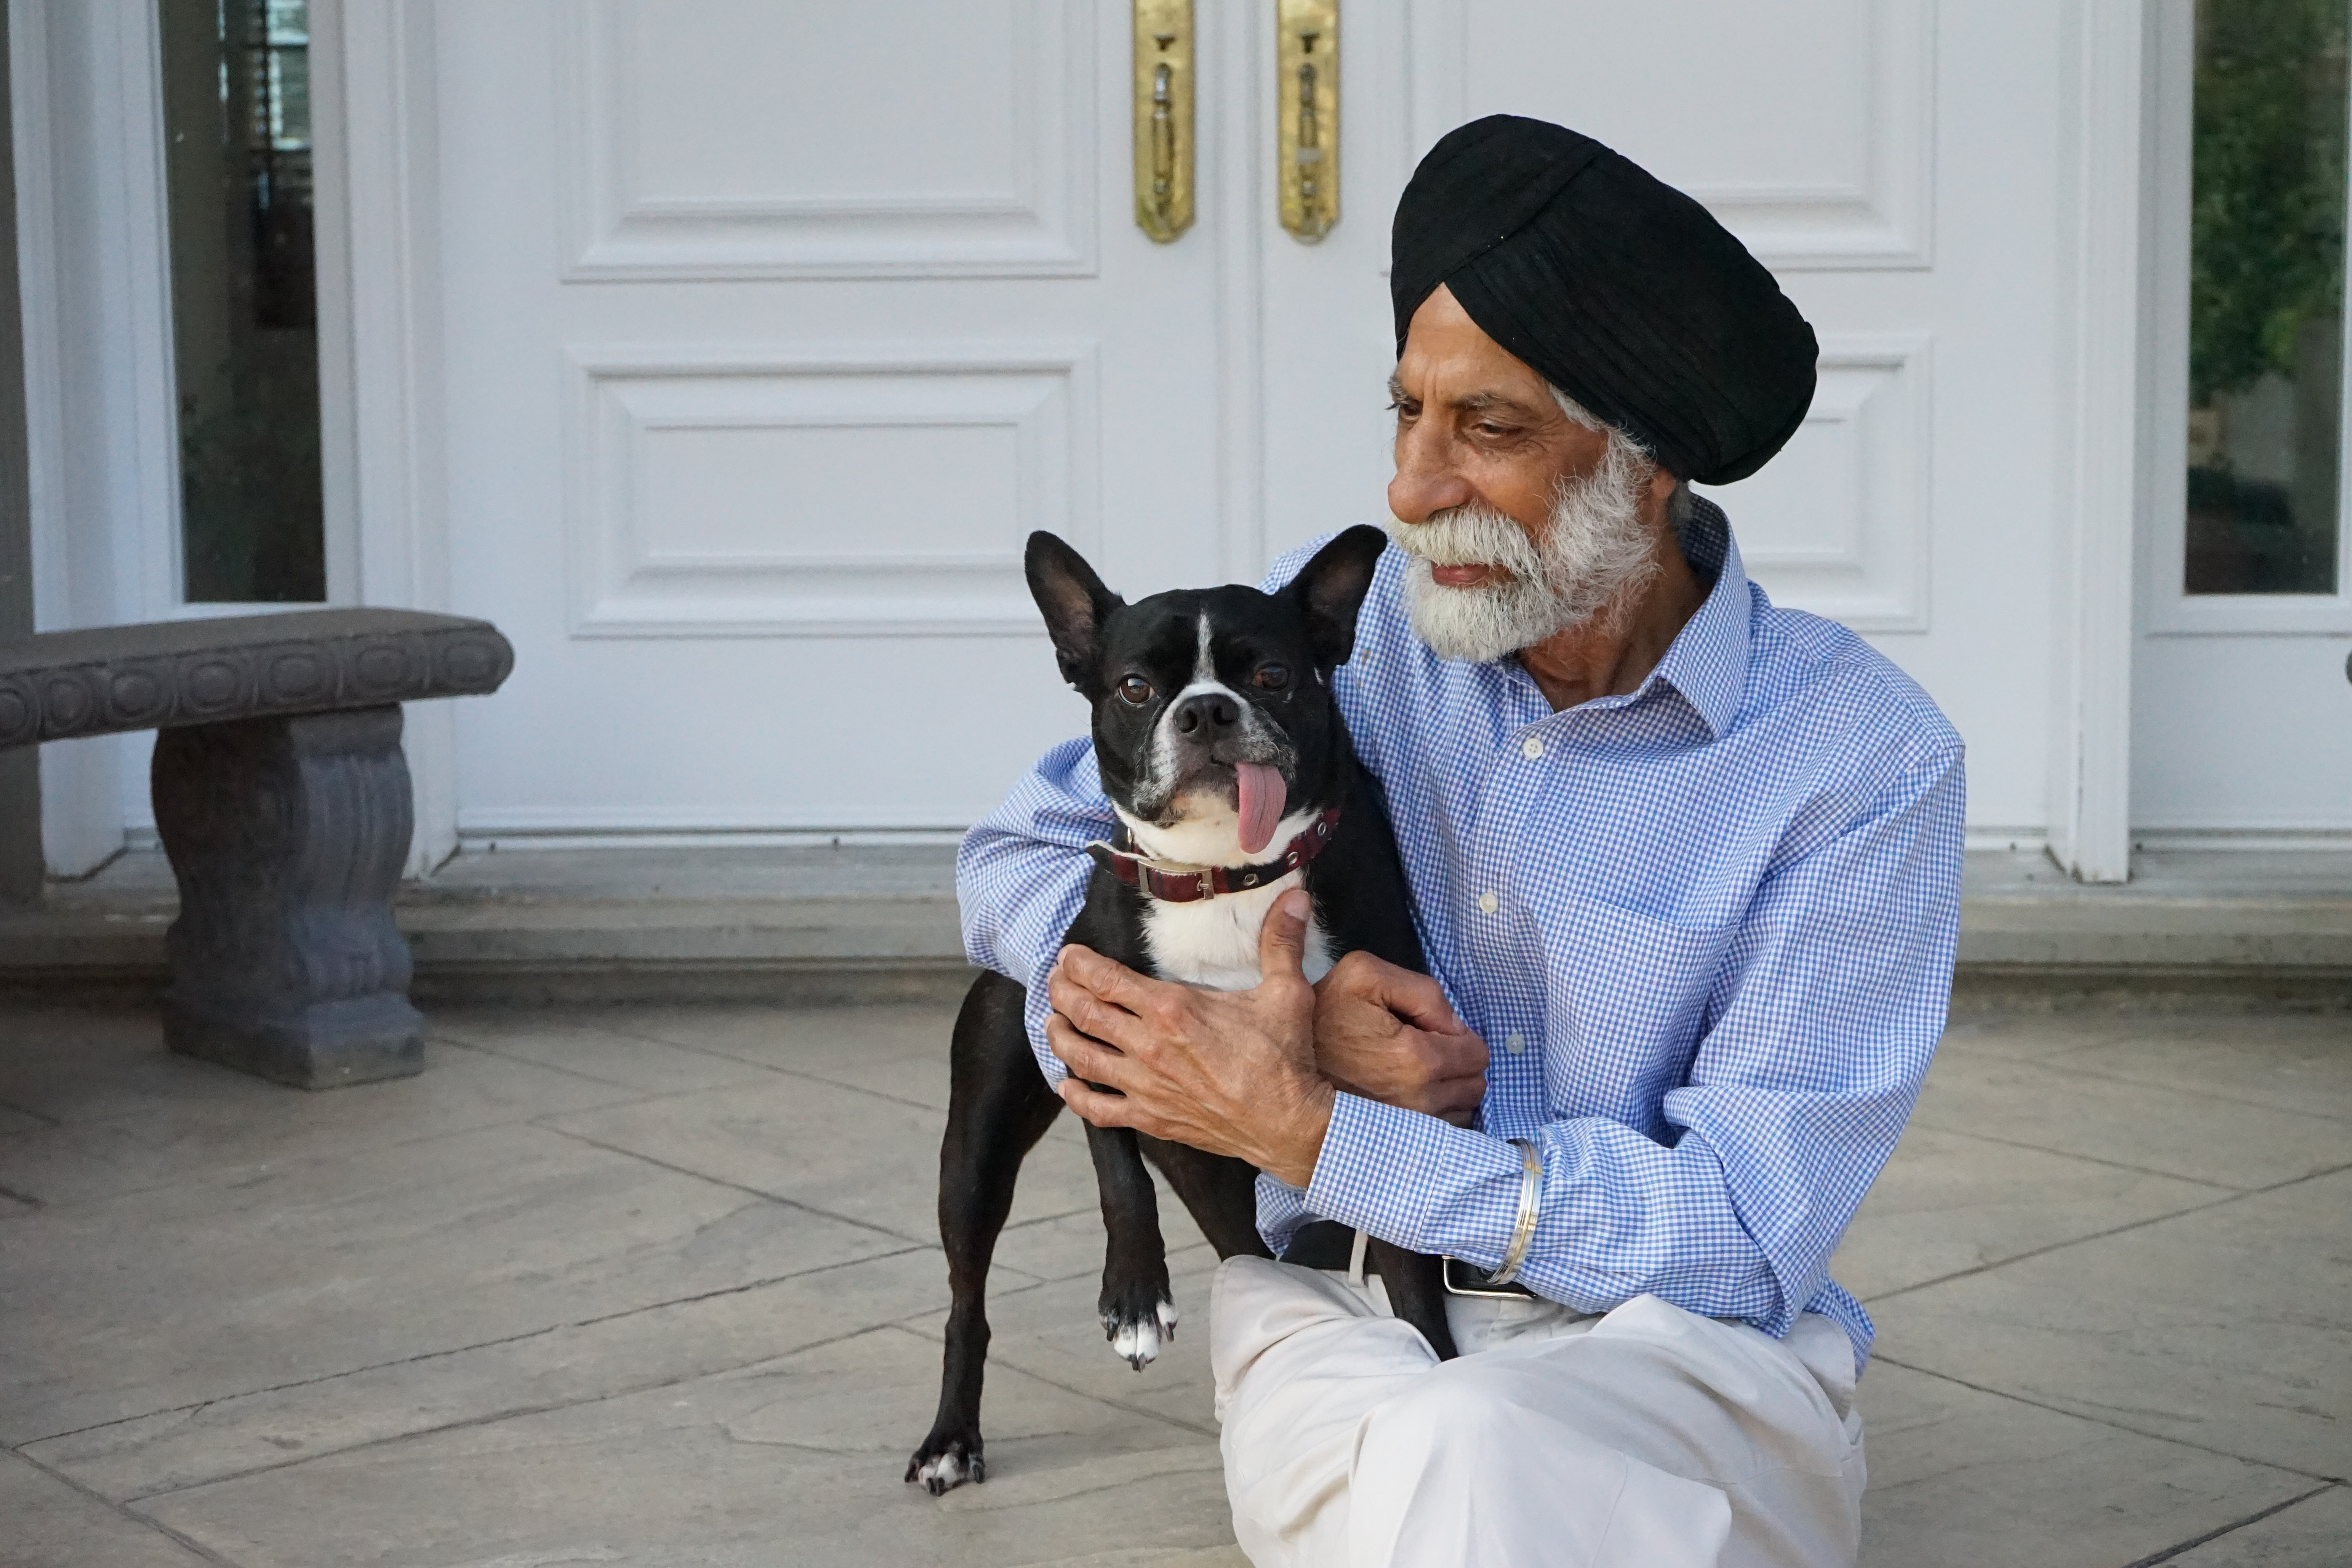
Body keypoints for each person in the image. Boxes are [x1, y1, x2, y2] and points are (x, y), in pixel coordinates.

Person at [958, 114, 1964, 1568]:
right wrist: (1219, 1018)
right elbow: (1014, 853)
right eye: (1407, 415)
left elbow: (1746, 1240)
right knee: (1451, 1448)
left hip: (1686, 1354)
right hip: (1340, 1309)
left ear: (1651, 462)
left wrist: (1312, 1127)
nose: (1412, 490)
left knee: (1471, 1451)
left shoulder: (1858, 761)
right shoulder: (1348, 638)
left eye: (1487, 429)